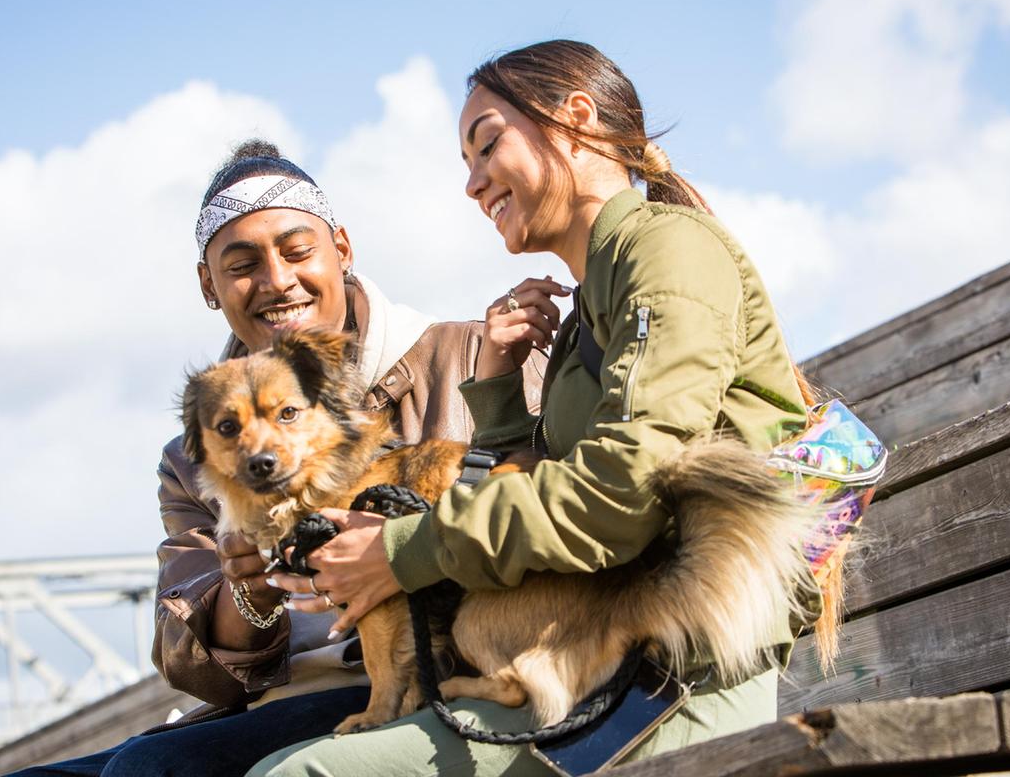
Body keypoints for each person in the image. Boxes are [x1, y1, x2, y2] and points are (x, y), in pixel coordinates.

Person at [255, 40, 822, 776]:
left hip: (674, 678)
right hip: (595, 662)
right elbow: (553, 500)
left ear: (574, 121)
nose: (470, 183)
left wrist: (401, 554)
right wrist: (497, 398)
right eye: (465, 161)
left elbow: (621, 491)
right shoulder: (589, 305)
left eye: (486, 144)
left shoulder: (668, 252)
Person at [10, 140, 544, 776]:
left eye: (297, 251)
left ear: (341, 249)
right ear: (209, 286)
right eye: (242, 265)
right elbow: (191, 660)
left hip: (429, 678)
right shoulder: (199, 450)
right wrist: (247, 589)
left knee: (149, 772)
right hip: (278, 702)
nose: (276, 280)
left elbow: (549, 504)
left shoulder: (470, 355)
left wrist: (400, 546)